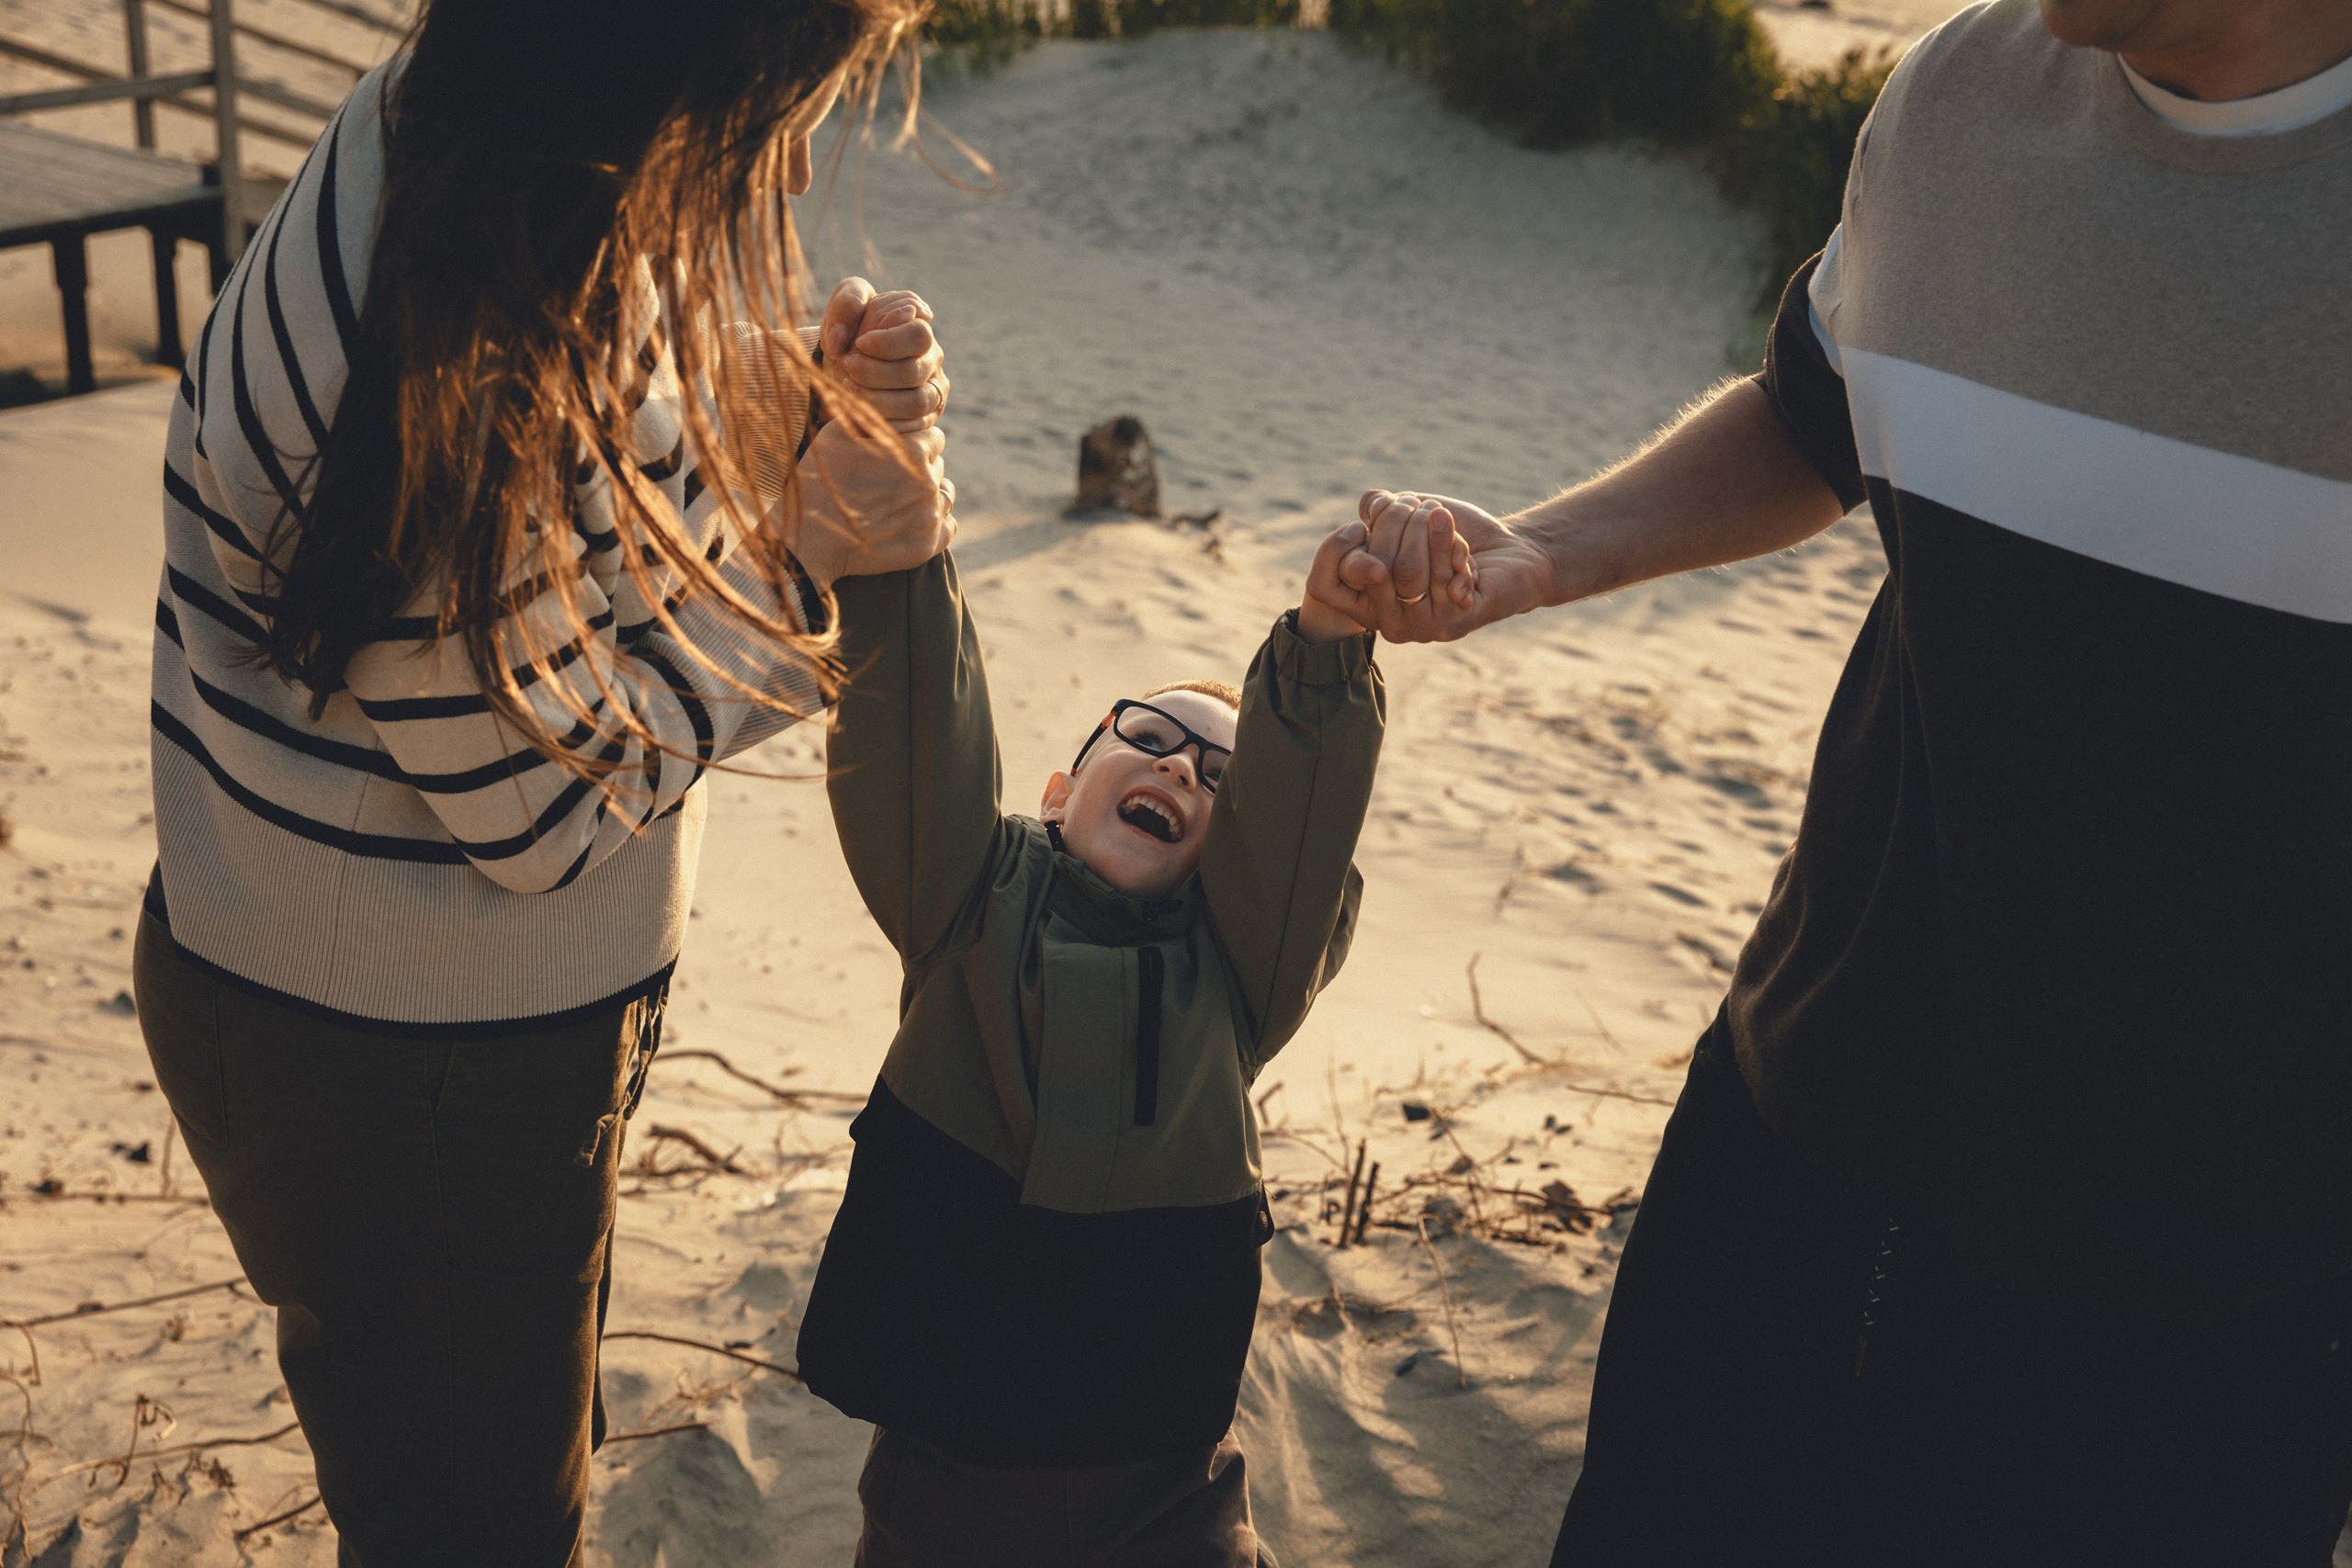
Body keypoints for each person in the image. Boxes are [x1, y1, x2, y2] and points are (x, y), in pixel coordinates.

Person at [1310, 0, 2352, 1561]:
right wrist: (1546, 550)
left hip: (2198, 1287)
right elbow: (1820, 413)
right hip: (1790, 1141)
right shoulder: (1959, 98)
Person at [133, 0, 959, 1560]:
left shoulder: (490, 153)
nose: (789, 165)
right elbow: (543, 802)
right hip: (402, 1071)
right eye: (774, 108)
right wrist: (813, 567)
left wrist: (787, 418)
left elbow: (580, 512)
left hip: (433, 1042)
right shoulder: (442, 341)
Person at [792, 536, 1387, 1567]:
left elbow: (1298, 845)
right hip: (940, 1488)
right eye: (1148, 736)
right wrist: (897, 552)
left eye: (1221, 777)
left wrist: (1325, 648)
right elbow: (912, 732)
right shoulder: (965, 901)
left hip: (1168, 1504)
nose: (1178, 766)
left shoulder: (1238, 979)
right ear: (1059, 792)